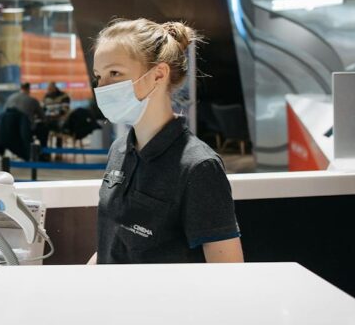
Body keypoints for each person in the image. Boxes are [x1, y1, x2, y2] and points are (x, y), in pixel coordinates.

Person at [87, 18, 243, 265]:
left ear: (158, 74)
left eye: (114, 73)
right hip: (110, 300)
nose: (102, 87)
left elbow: (228, 269)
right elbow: (114, 243)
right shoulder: (119, 150)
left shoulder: (198, 166)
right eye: (98, 76)